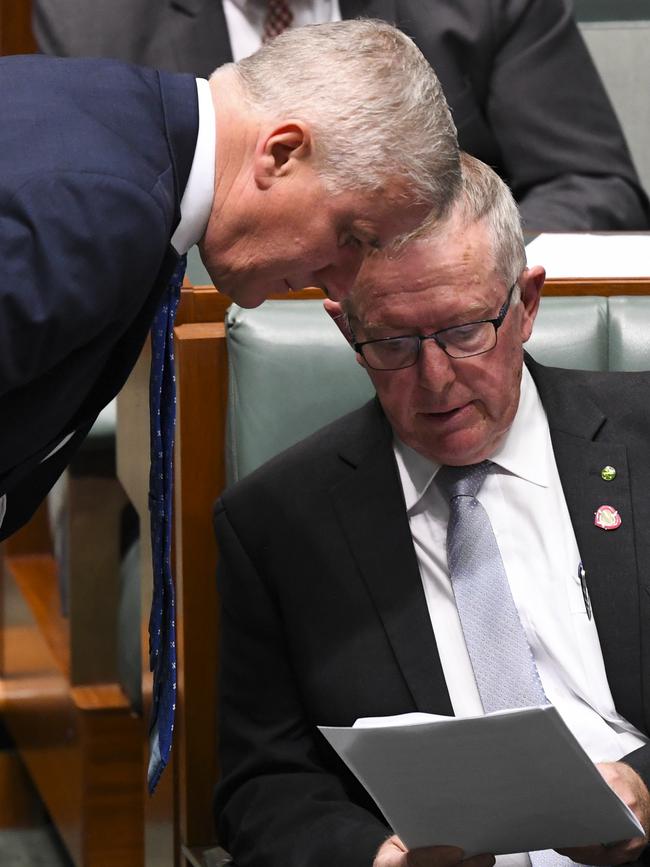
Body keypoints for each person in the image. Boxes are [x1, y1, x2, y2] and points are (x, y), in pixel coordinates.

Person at [213, 153, 650, 867]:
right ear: (346, 330)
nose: (437, 380)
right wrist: (376, 857)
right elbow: (260, 786)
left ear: (527, 303)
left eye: (464, 330)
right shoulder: (276, 524)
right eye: (392, 343)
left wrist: (643, 787)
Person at [0, 18, 458, 542]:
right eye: (351, 236)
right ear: (281, 152)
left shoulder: (106, 113)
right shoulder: (102, 211)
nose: (340, 285)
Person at [33, 0, 650, 232]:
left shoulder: (477, 7)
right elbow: (88, 222)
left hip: (444, 326)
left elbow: (595, 186)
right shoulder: (93, 20)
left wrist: (444, 247)